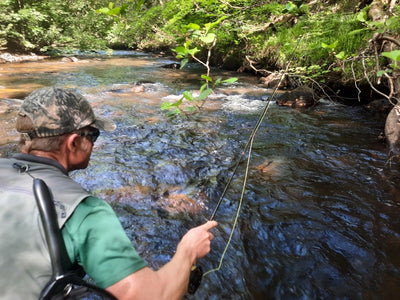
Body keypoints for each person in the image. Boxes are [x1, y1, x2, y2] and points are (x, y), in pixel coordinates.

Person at [0, 87, 218, 300]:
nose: (95, 143)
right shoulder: (84, 210)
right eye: (93, 135)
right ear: (73, 142)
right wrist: (188, 251)